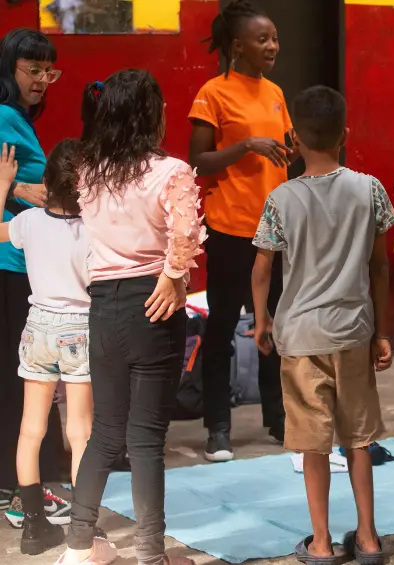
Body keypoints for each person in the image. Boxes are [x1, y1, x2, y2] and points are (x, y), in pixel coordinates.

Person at [56, 70, 205, 565]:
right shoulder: (172, 171)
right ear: (151, 114)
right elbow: (185, 233)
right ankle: (149, 555)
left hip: (104, 307)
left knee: (104, 434)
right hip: (152, 305)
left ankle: (78, 547)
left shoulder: (89, 171)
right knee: (144, 441)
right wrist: (173, 276)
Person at [251, 85, 394, 565]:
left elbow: (263, 268)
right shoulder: (369, 188)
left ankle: (321, 543)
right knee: (359, 439)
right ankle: (370, 540)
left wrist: (262, 319)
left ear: (292, 139)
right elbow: (380, 267)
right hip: (353, 331)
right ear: (345, 135)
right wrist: (381, 330)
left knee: (314, 445)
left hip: (300, 337)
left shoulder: (280, 198)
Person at [189, 0, 292, 462]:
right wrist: (245, 145)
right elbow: (199, 160)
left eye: (273, 37)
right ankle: (219, 427)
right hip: (230, 228)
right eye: (263, 38)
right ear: (237, 46)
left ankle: (278, 417)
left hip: (274, 230)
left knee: (273, 325)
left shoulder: (275, 92)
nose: (273, 45)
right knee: (224, 326)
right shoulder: (213, 92)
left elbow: (284, 153)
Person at [0, 140, 93, 555]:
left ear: (45, 182)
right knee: (80, 431)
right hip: (80, 330)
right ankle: (82, 528)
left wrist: (4, 185)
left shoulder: (30, 223)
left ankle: (34, 525)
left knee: (30, 428)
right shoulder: (93, 230)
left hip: (36, 328)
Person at [0, 27, 68, 525]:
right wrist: (20, 187)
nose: (44, 79)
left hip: (21, 261)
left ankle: (20, 486)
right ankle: (22, 490)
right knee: (20, 382)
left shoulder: (17, 117)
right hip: (11, 264)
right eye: (33, 69)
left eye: (49, 70)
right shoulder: (4, 115)